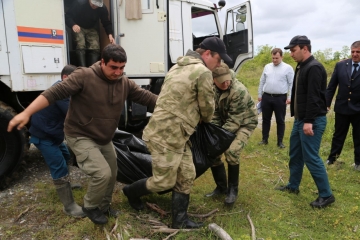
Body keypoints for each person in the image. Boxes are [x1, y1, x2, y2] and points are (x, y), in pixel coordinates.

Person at [7, 44, 158, 225]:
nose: (118, 72)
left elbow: (148, 98)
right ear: (102, 62)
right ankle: (90, 206)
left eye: (122, 68)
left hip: (104, 137)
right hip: (81, 135)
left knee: (112, 172)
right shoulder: (84, 76)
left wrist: (176, 105)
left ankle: (103, 206)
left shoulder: (124, 83)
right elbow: (53, 93)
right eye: (113, 67)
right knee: (101, 173)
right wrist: (26, 113)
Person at [122, 37, 232, 229]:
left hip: (176, 133)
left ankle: (179, 220)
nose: (219, 64)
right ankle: (130, 191)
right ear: (207, 54)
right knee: (163, 181)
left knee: (186, 174)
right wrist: (204, 117)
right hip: (167, 135)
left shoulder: (177, 66)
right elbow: (207, 110)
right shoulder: (203, 72)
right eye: (219, 59)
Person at [276, 35, 335, 208]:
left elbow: (314, 97)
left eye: (293, 50)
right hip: (301, 120)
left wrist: (309, 121)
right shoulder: (302, 66)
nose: (291, 54)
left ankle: (326, 195)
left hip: (312, 120)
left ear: (305, 49)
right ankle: (293, 186)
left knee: (311, 157)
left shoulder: (314, 67)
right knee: (295, 154)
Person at [28, 64, 85, 218]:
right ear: (65, 78)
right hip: (44, 137)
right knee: (58, 166)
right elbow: (73, 114)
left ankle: (67, 184)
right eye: (76, 80)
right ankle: (69, 206)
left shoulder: (64, 89)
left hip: (53, 135)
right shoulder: (62, 91)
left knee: (66, 156)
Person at [205, 63, 257, 206]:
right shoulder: (211, 88)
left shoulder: (239, 91)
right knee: (213, 152)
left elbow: (235, 121)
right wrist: (214, 137)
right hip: (226, 121)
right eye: (221, 81)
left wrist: (220, 141)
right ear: (213, 79)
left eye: (227, 79)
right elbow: (214, 114)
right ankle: (221, 188)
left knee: (232, 152)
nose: (226, 83)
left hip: (245, 123)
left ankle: (232, 191)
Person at [325, 41, 360, 170]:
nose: (355, 54)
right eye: (353, 52)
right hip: (342, 107)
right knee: (338, 135)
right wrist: (327, 104)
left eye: (358, 52)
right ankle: (332, 159)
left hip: (358, 109)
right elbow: (331, 86)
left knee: (359, 136)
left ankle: (358, 163)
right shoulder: (341, 65)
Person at [258, 48, 294, 148]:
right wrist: (260, 94)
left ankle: (280, 142)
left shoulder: (288, 68)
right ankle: (264, 139)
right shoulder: (267, 67)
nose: (274, 60)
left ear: (281, 57)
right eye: (273, 58)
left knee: (280, 120)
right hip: (267, 96)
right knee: (265, 119)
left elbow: (292, 84)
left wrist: (290, 97)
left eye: (277, 58)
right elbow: (262, 81)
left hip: (280, 98)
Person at [65, 0, 115, 67]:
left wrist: (110, 35)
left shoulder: (102, 8)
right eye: (93, 4)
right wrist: (73, 24)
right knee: (80, 43)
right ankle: (82, 68)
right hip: (78, 26)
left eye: (97, 5)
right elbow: (67, 16)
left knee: (95, 46)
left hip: (91, 27)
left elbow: (106, 22)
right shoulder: (79, 3)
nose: (95, 6)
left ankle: (92, 69)